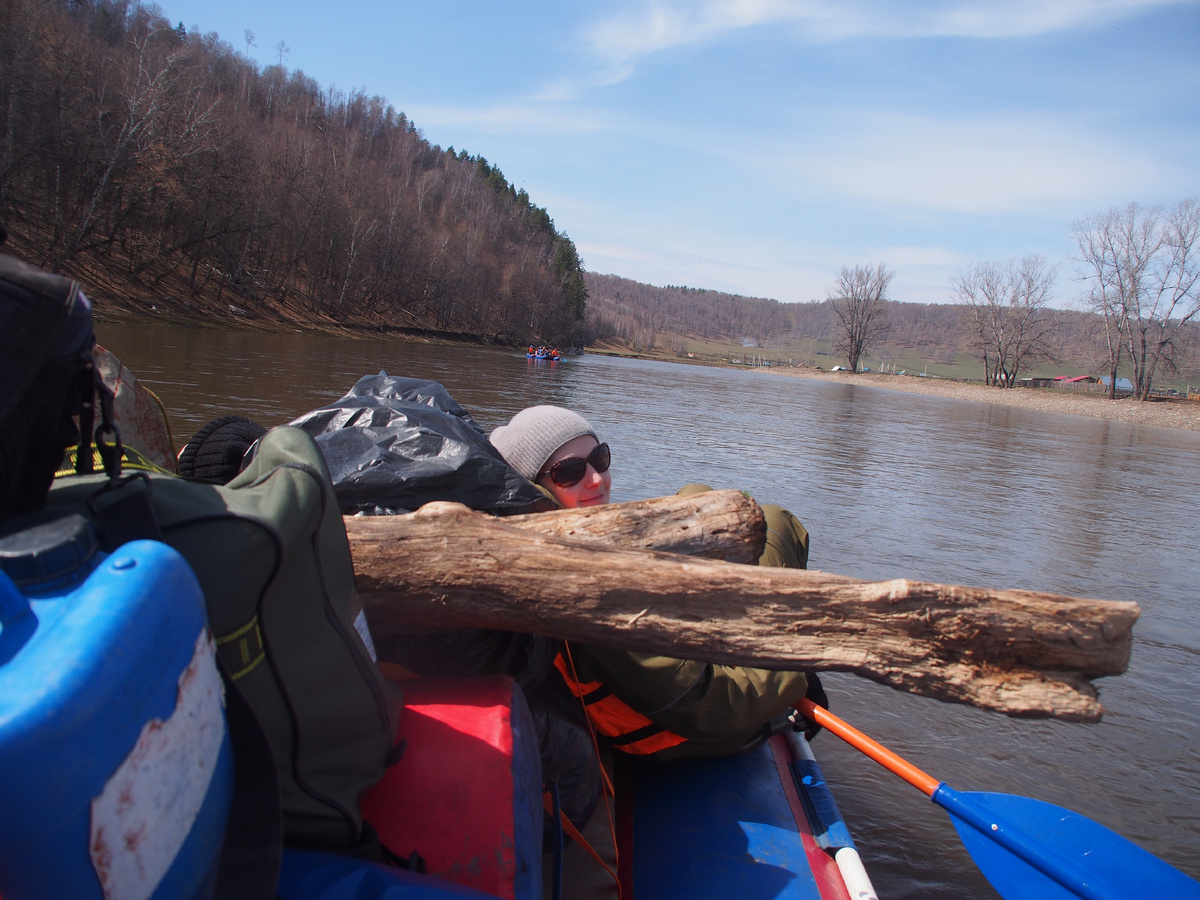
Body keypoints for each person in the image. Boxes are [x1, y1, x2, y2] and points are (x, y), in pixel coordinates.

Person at [489, 405, 827, 761]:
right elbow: (714, 707)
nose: (595, 480)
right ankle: (764, 624)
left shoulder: (541, 544)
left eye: (599, 459)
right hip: (678, 737)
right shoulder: (590, 591)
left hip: (665, 665)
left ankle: (735, 611)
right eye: (568, 472)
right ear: (535, 492)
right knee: (776, 522)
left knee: (700, 495)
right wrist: (794, 670)